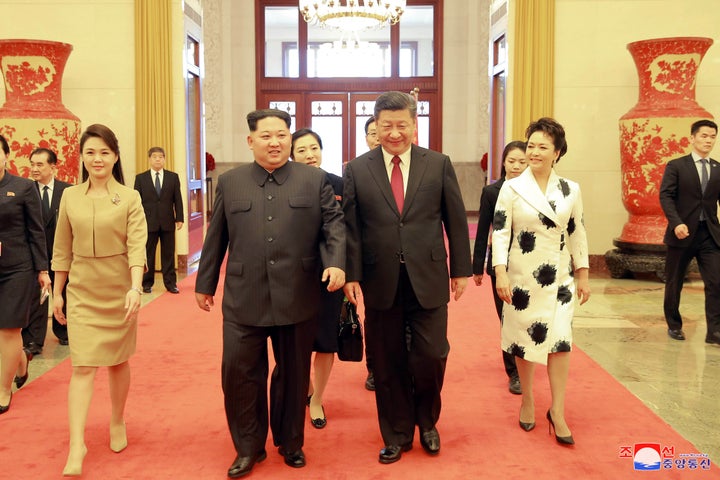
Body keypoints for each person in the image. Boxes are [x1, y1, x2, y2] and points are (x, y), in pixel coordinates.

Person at [194, 109, 345, 478]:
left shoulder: (314, 180)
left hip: (299, 292)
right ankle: (248, 447)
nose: (275, 142)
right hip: (244, 295)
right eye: (266, 136)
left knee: (294, 374)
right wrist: (205, 283)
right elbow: (217, 238)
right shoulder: (231, 183)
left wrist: (336, 261)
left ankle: (291, 442)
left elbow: (333, 226)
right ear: (250, 141)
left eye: (282, 135)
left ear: (290, 139)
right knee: (239, 373)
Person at [343, 91, 472, 464]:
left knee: (431, 355)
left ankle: (427, 421)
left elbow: (455, 218)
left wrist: (460, 268)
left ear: (414, 125)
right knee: (386, 360)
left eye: (402, 125)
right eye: (387, 126)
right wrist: (352, 273)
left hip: (428, 275)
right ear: (375, 126)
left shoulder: (438, 164)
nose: (395, 133)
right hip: (379, 278)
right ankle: (396, 433)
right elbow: (351, 227)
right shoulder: (358, 168)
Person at [52, 124, 147, 476]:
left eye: (104, 152)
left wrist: (135, 288)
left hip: (119, 289)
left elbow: (137, 246)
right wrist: (57, 294)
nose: (97, 159)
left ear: (115, 156)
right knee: (82, 366)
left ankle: (117, 420)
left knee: (118, 361)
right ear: (82, 157)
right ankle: (77, 443)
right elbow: (61, 248)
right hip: (81, 290)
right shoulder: (70, 197)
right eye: (91, 152)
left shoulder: (130, 197)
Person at [492, 117, 590, 446]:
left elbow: (577, 231)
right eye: (530, 145)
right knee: (524, 341)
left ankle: (558, 410)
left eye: (542, 147)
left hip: (559, 278)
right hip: (522, 277)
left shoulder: (570, 190)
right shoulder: (512, 186)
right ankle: (528, 398)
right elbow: (501, 230)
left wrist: (583, 274)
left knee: (561, 342)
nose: (534, 152)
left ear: (557, 152)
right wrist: (500, 272)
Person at [290, 128, 344, 430]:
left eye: (314, 148)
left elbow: (347, 231)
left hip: (330, 275)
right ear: (291, 154)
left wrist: (348, 272)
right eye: (302, 150)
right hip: (293, 276)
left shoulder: (339, 184)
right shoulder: (284, 185)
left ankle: (317, 398)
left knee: (325, 341)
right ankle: (306, 386)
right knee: (295, 341)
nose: (310, 155)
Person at [0, 134, 51, 414]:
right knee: (5, 333)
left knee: (8, 327)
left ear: (6, 155)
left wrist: (42, 269)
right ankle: (20, 360)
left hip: (17, 268)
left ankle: (3, 389)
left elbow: (36, 231)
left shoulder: (22, 188)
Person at [472, 140, 527, 395]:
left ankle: (526, 360)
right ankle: (513, 372)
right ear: (503, 162)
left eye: (522, 162)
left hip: (529, 265)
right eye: (511, 161)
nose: (516, 166)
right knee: (506, 318)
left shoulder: (534, 192)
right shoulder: (492, 192)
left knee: (524, 316)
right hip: (500, 264)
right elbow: (483, 230)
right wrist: (477, 266)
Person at [659, 119, 720, 344]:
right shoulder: (676, 166)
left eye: (712, 136)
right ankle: (674, 325)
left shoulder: (717, 168)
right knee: (675, 282)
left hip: (710, 235)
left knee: (716, 281)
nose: (708, 140)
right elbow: (665, 196)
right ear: (692, 138)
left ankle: (714, 332)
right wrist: (676, 223)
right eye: (704, 135)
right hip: (681, 233)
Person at [22, 148, 72, 354]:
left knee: (64, 293)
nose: (34, 168)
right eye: (32, 164)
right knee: (37, 297)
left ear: (53, 167)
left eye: (39, 164)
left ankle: (65, 331)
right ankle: (34, 340)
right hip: (34, 254)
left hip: (60, 253)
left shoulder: (67, 191)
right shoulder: (24, 190)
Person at [134, 147, 184, 294]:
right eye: (155, 157)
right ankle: (147, 283)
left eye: (161, 157)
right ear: (149, 159)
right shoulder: (141, 178)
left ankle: (170, 283)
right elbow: (136, 202)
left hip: (168, 221)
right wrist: (136, 220)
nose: (158, 159)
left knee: (168, 253)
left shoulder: (172, 177)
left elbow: (178, 199)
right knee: (148, 253)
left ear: (164, 159)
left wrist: (179, 218)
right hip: (148, 222)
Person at [362, 116, 380, 392]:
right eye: (373, 133)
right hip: (372, 262)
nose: (378, 137)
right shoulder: (357, 170)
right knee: (375, 319)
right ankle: (375, 367)